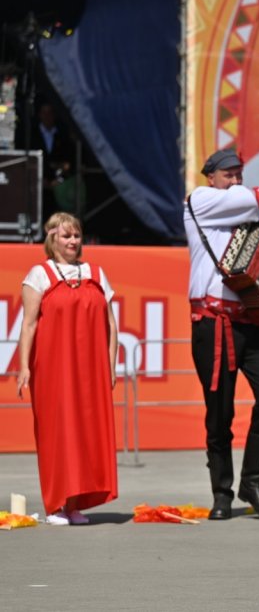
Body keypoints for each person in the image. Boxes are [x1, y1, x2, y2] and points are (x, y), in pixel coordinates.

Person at [184, 148, 259, 519]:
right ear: (210, 177)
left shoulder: (246, 214)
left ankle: (252, 480)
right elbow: (253, 198)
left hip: (251, 321)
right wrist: (257, 195)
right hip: (214, 323)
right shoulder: (199, 200)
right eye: (227, 174)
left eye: (238, 174)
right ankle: (221, 492)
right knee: (220, 412)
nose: (234, 180)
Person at [16, 212, 118, 525]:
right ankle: (55, 505)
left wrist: (111, 366)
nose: (72, 241)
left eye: (76, 236)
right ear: (52, 239)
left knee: (86, 433)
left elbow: (111, 325)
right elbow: (29, 324)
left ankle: (75, 504)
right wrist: (24, 367)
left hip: (90, 369)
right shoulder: (39, 274)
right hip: (52, 366)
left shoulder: (96, 273)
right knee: (57, 433)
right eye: (66, 236)